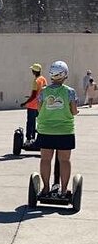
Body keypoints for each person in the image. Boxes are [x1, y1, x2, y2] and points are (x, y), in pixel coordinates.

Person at [35, 60, 78, 197]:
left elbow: (39, 109)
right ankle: (64, 191)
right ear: (65, 75)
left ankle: (46, 188)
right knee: (64, 160)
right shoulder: (70, 92)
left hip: (46, 130)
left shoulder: (43, 92)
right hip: (65, 131)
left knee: (45, 159)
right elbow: (73, 111)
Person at [19, 63, 48, 142]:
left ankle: (28, 139)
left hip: (32, 105)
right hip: (40, 105)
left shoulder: (36, 81)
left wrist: (25, 103)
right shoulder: (43, 79)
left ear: (34, 71)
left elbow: (34, 95)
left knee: (30, 123)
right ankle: (34, 138)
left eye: (32, 70)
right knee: (37, 122)